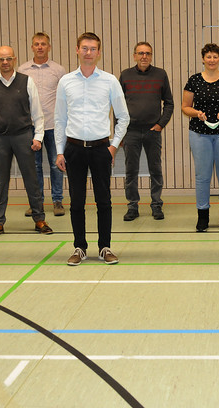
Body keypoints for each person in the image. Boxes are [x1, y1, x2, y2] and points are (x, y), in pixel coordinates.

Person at [55, 32, 130, 265]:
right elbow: (59, 119)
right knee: (76, 202)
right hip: (74, 149)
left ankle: (105, 247)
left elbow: (124, 117)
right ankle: (80, 248)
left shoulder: (110, 81)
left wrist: (113, 147)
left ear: (99, 52)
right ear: (77, 50)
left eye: (93, 49)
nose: (89, 52)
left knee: (104, 201)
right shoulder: (66, 81)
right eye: (85, 48)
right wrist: (59, 151)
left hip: (101, 149)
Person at [0, 45, 52, 239]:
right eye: (1, 59)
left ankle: (39, 219)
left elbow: (37, 112)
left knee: (31, 180)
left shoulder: (27, 82)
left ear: (14, 60)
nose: (5, 62)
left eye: (8, 58)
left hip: (23, 137)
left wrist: (38, 137)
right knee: (1, 182)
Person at [182, 43, 219, 232]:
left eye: (215, 56)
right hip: (199, 133)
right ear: (203, 59)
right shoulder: (194, 80)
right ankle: (202, 216)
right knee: (202, 176)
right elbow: (185, 106)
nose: (212, 60)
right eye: (208, 56)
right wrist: (196, 113)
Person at [119, 41, 174, 221]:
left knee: (155, 169)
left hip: (153, 131)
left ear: (151, 56)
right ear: (134, 56)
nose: (144, 56)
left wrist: (160, 124)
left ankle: (156, 205)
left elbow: (169, 103)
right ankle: (132, 206)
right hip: (131, 131)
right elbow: (118, 106)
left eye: (147, 53)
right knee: (131, 171)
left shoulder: (160, 74)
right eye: (141, 53)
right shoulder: (125, 75)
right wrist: (119, 133)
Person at [18, 32, 67, 216]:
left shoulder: (58, 70)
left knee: (56, 164)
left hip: (54, 125)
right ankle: (36, 202)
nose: (40, 47)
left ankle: (57, 201)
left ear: (49, 47)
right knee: (34, 166)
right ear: (32, 47)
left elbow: (65, 98)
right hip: (30, 126)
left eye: (43, 44)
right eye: (37, 44)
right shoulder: (22, 70)